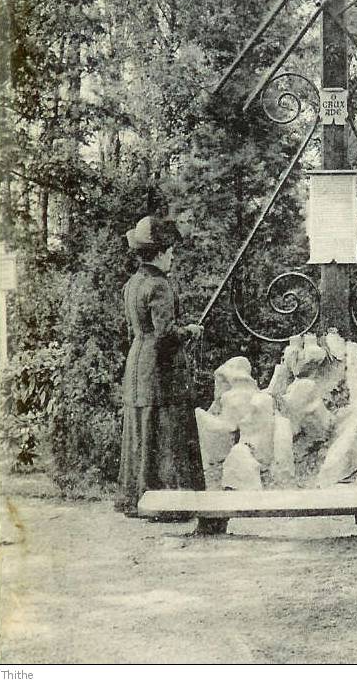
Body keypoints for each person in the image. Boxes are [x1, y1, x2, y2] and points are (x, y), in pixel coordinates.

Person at [115, 215, 205, 517]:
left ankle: (137, 499)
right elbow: (166, 333)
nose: (172, 257)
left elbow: (135, 329)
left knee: (143, 425)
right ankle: (172, 504)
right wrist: (190, 331)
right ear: (158, 253)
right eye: (170, 252)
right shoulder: (159, 285)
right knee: (168, 427)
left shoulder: (133, 283)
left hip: (137, 361)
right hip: (162, 367)